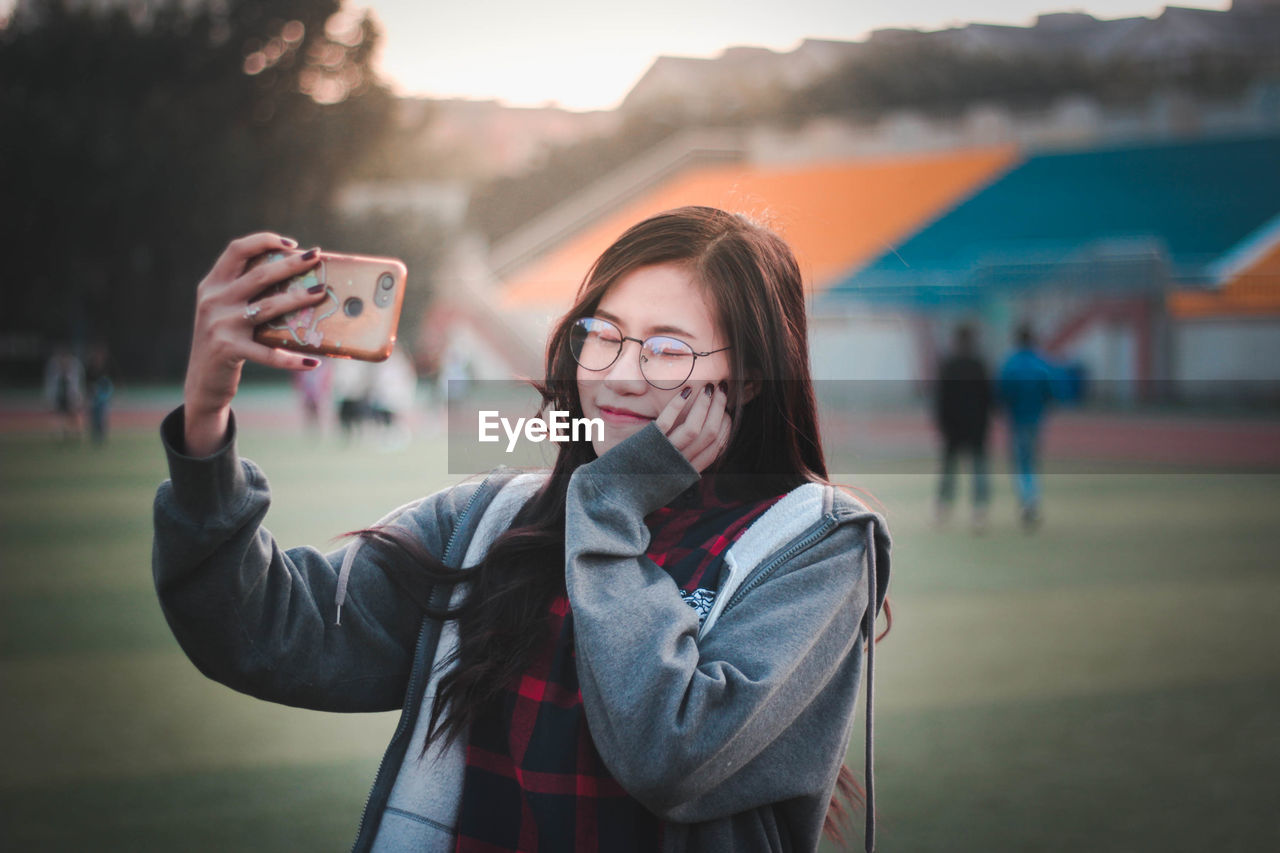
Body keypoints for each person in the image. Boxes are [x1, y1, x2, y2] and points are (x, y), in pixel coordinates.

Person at [152, 208, 892, 852]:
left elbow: (672, 754)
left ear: (753, 378)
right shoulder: (488, 523)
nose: (622, 374)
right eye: (604, 334)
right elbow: (264, 630)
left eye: (667, 349)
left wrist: (608, 508)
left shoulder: (813, 545)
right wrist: (206, 413)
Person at [932, 324, 992, 532]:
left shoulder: (949, 365)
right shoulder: (979, 365)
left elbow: (941, 399)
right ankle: (979, 509)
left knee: (950, 469)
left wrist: (942, 424)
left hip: (954, 427)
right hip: (976, 426)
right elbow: (988, 398)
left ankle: (943, 507)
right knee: (978, 468)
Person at [997, 322, 1057, 530]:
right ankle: (1032, 498)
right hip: (1036, 419)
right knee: (1031, 462)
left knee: (1021, 464)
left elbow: (1002, 392)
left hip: (1017, 419)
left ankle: (1027, 499)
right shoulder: (1041, 363)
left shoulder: (1010, 364)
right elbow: (1051, 391)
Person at [44, 344, 85, 443]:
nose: (64, 361)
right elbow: (51, 385)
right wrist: (50, 398)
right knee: (59, 415)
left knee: (74, 415)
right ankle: (59, 433)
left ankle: (77, 433)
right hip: (60, 397)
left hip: (71, 397)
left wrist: (78, 397)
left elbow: (77, 385)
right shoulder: (55, 369)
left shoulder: (75, 368)